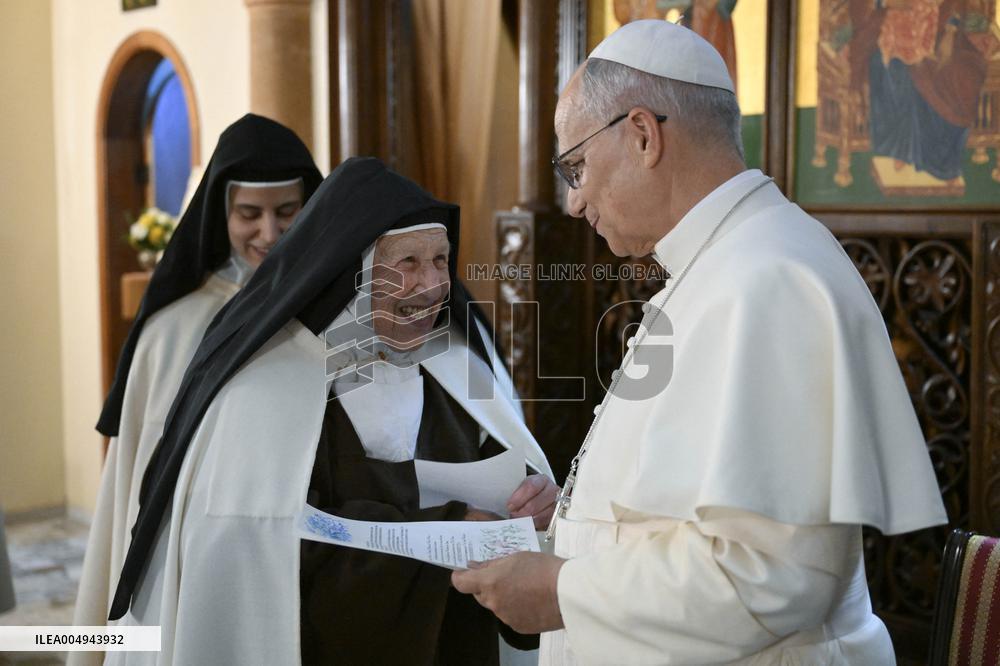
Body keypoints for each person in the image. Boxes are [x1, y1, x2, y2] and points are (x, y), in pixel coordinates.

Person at [452, 20, 947, 664]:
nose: (573, 203)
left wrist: (561, 589)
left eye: (576, 167)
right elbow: (672, 521)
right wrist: (561, 536)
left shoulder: (765, 280)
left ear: (642, 135)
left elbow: (769, 576)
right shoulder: (722, 264)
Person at [105, 157, 557, 665]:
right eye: (407, 263)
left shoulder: (458, 365)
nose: (432, 284)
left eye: (440, 260)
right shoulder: (261, 389)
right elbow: (258, 554)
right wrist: (449, 531)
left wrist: (536, 503)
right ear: (350, 271)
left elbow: (515, 482)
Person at [71, 114, 322, 662]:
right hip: (182, 560)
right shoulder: (170, 331)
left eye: (287, 211)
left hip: (293, 558)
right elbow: (136, 475)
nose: (270, 233)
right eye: (249, 214)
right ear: (220, 214)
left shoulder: (332, 316)